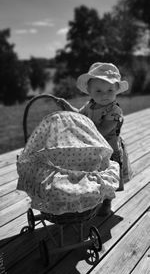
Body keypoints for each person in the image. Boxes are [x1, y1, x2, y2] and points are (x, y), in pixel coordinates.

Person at [17, 109, 119, 217]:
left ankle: (66, 212)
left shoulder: (114, 110)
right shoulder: (90, 105)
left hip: (58, 190)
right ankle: (80, 213)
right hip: (76, 185)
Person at [77, 62, 133, 199]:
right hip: (93, 147)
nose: (105, 95)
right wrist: (68, 109)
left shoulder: (114, 111)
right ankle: (94, 199)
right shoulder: (90, 105)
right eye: (98, 91)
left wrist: (83, 132)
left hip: (109, 149)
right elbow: (78, 115)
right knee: (94, 176)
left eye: (110, 90)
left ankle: (107, 203)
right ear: (89, 92)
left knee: (108, 177)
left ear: (116, 91)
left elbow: (102, 130)